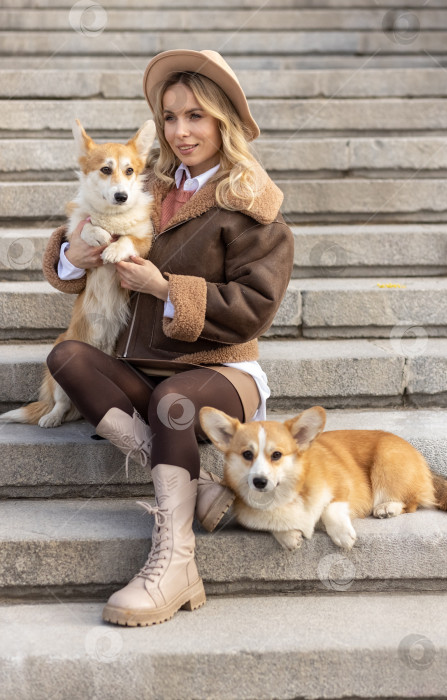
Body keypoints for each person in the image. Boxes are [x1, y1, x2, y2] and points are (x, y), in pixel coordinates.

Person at [42, 49, 294, 627]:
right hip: (146, 364)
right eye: (171, 117)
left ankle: (176, 562)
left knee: (171, 402)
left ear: (223, 121)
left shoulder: (252, 203)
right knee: (67, 358)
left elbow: (254, 307)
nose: (180, 131)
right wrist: (71, 252)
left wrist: (166, 287)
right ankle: (199, 484)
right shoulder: (140, 181)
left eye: (196, 117)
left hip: (222, 370)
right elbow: (79, 236)